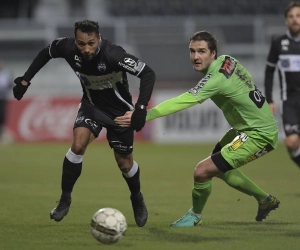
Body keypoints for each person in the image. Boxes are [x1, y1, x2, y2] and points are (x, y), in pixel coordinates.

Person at [115, 30, 280, 226]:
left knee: (202, 171)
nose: (195, 57)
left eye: (201, 51)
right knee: (219, 167)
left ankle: (195, 215)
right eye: (192, 51)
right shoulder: (228, 60)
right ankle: (265, 200)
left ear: (213, 53)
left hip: (258, 133)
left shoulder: (216, 79)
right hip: (246, 128)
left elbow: (183, 100)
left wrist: (146, 114)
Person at [13, 19, 156, 227]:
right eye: (81, 44)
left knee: (125, 164)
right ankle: (64, 199)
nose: (86, 49)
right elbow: (46, 53)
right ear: (75, 40)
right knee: (78, 145)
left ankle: (137, 197)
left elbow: (148, 73)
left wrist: (141, 108)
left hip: (119, 113)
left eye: (91, 43)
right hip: (92, 107)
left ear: (99, 38)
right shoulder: (67, 47)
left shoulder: (113, 54)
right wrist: (25, 80)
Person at [264, 1, 300, 170]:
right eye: (291, 16)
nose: (295, 19)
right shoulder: (278, 43)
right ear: (286, 20)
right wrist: (269, 99)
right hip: (289, 101)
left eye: (298, 16)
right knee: (292, 143)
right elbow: (269, 72)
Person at [0, 60, 13, 143]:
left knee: (2, 115)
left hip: (3, 98)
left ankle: (2, 134)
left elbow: (10, 84)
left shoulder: (6, 73)